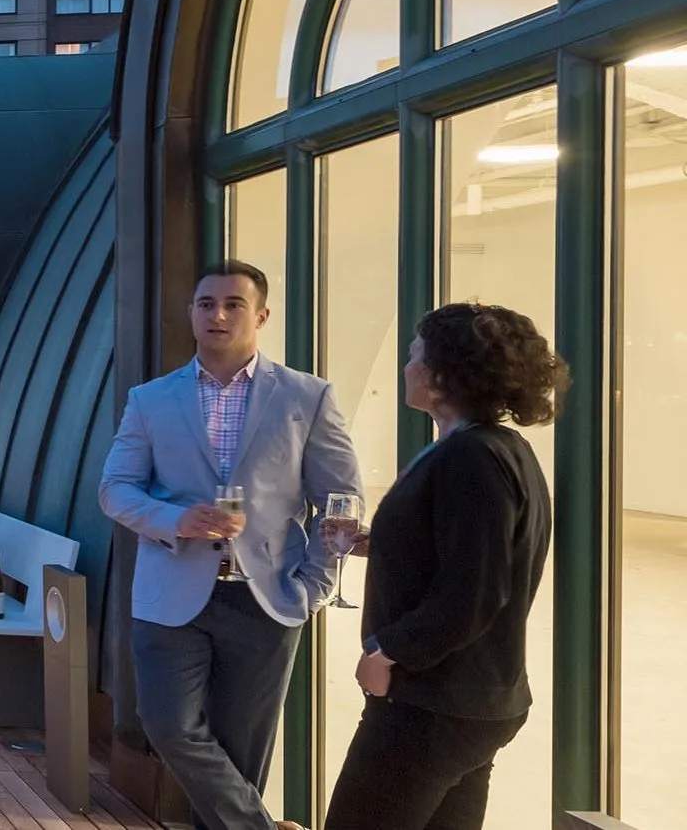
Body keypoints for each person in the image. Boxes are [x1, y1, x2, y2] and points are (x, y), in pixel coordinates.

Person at [99, 260, 359, 830]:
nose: (218, 314)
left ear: (261, 316)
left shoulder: (306, 397)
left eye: (233, 304)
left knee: (241, 756)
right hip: (171, 594)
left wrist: (313, 585)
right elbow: (115, 490)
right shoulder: (150, 399)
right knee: (166, 726)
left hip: (266, 598)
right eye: (206, 303)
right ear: (191, 313)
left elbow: (340, 500)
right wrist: (175, 518)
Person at [322, 303, 560, 830]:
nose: (406, 366)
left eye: (414, 355)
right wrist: (379, 542)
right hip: (469, 701)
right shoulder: (500, 450)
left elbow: (474, 592)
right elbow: (465, 553)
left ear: (441, 376)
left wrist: (387, 653)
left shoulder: (470, 459)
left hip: (433, 702)